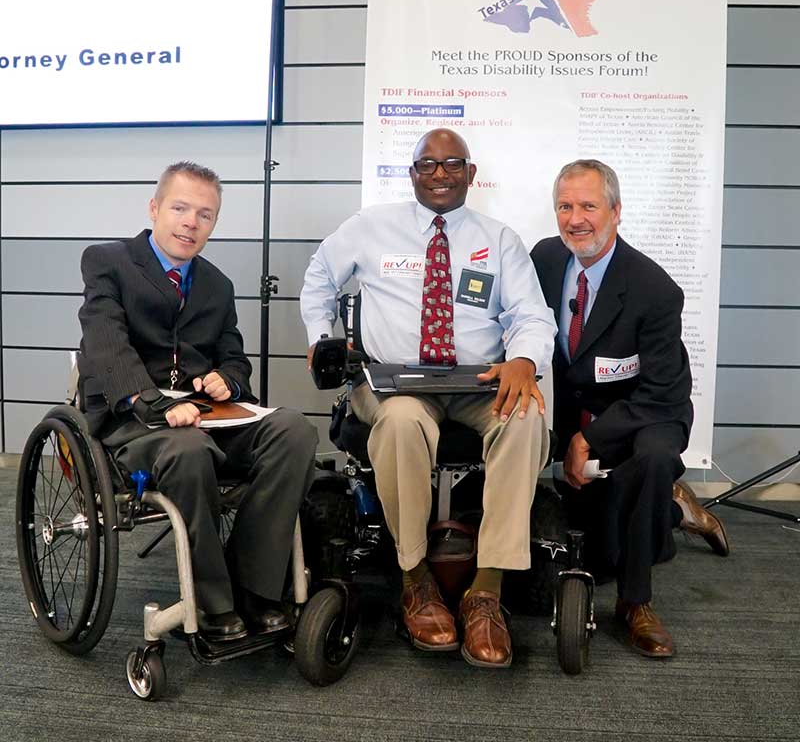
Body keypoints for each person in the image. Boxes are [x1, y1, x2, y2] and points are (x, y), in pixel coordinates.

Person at [300, 128, 556, 668]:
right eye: (428, 165)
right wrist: (323, 334)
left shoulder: (500, 239)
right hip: (394, 382)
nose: (440, 174)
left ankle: (487, 590)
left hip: (475, 381)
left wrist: (524, 360)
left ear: (471, 173)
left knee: (526, 413)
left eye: (452, 164)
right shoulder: (371, 228)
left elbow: (533, 314)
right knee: (398, 421)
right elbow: (320, 275)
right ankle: (415, 579)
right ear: (412, 174)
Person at [78, 161, 318, 642]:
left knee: (295, 431)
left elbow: (234, 358)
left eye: (205, 214)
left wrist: (226, 379)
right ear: (155, 208)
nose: (191, 222)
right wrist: (153, 403)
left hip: (207, 416)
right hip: (134, 419)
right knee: (188, 452)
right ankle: (212, 601)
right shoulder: (108, 261)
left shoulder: (217, 285)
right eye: (181, 208)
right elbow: (106, 342)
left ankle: (253, 584)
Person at [531, 159, 729, 658]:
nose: (576, 218)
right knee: (596, 555)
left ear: (616, 211)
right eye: (565, 206)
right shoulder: (544, 260)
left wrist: (588, 441)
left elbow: (662, 392)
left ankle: (636, 604)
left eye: (589, 206)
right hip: (574, 415)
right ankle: (671, 509)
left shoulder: (655, 291)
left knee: (655, 458)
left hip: (646, 412)